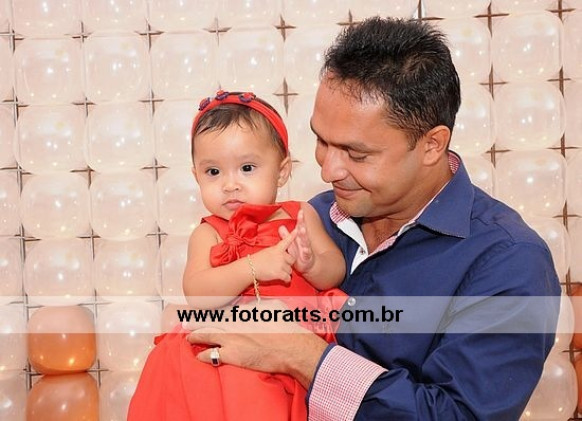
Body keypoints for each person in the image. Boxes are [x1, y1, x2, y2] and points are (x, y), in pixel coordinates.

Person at [187, 17, 562, 420]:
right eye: (321, 140)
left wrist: (305, 357)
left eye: (357, 154)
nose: (328, 169)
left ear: (432, 145)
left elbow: (458, 415)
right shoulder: (311, 218)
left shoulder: (509, 262)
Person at [127, 90, 347, 420]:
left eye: (247, 168)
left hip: (296, 339)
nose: (230, 185)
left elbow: (336, 270)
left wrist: (312, 264)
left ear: (282, 171)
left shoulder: (301, 215)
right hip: (231, 346)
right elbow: (198, 294)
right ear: (196, 175)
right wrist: (253, 267)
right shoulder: (209, 232)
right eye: (213, 172)